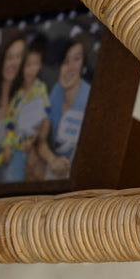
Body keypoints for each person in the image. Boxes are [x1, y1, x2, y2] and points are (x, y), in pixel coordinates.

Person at [0, 36, 49, 184]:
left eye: (19, 57)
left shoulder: (31, 96)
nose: (14, 62)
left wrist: (35, 141)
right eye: (10, 57)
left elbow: (41, 124)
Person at [31, 34, 91, 181]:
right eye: (65, 61)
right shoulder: (56, 91)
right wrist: (52, 160)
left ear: (83, 65)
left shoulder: (89, 96)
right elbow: (41, 140)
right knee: (32, 161)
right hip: (57, 165)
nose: (69, 67)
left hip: (79, 173)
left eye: (76, 59)